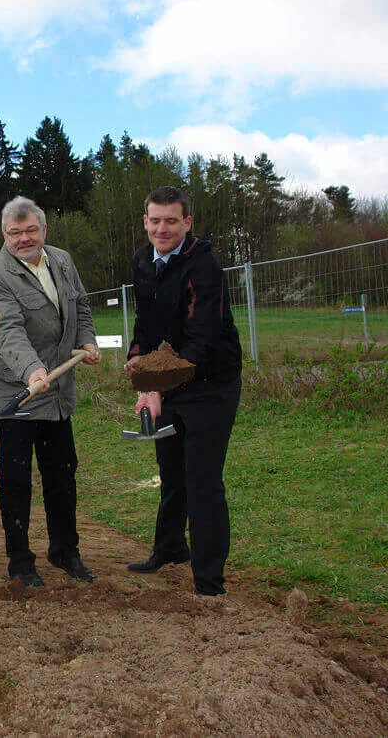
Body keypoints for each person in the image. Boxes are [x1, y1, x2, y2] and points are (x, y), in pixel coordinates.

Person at [0, 196, 101, 587]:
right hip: (14, 395)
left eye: (31, 230)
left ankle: (65, 551)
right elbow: (6, 331)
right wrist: (31, 369)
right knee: (16, 479)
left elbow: (81, 307)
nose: (24, 239)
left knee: (62, 472)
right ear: (4, 234)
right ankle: (20, 562)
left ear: (44, 230)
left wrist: (87, 340)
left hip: (56, 392)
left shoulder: (61, 261)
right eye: (15, 233)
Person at [125, 186, 242, 597]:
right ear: (145, 222)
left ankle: (209, 581)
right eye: (155, 221)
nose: (163, 229)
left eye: (171, 221)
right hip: (170, 379)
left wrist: (157, 386)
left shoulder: (204, 267)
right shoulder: (143, 261)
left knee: (202, 480)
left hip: (211, 384)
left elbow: (201, 339)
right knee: (172, 471)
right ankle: (170, 547)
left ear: (187, 223)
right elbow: (145, 323)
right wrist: (138, 362)